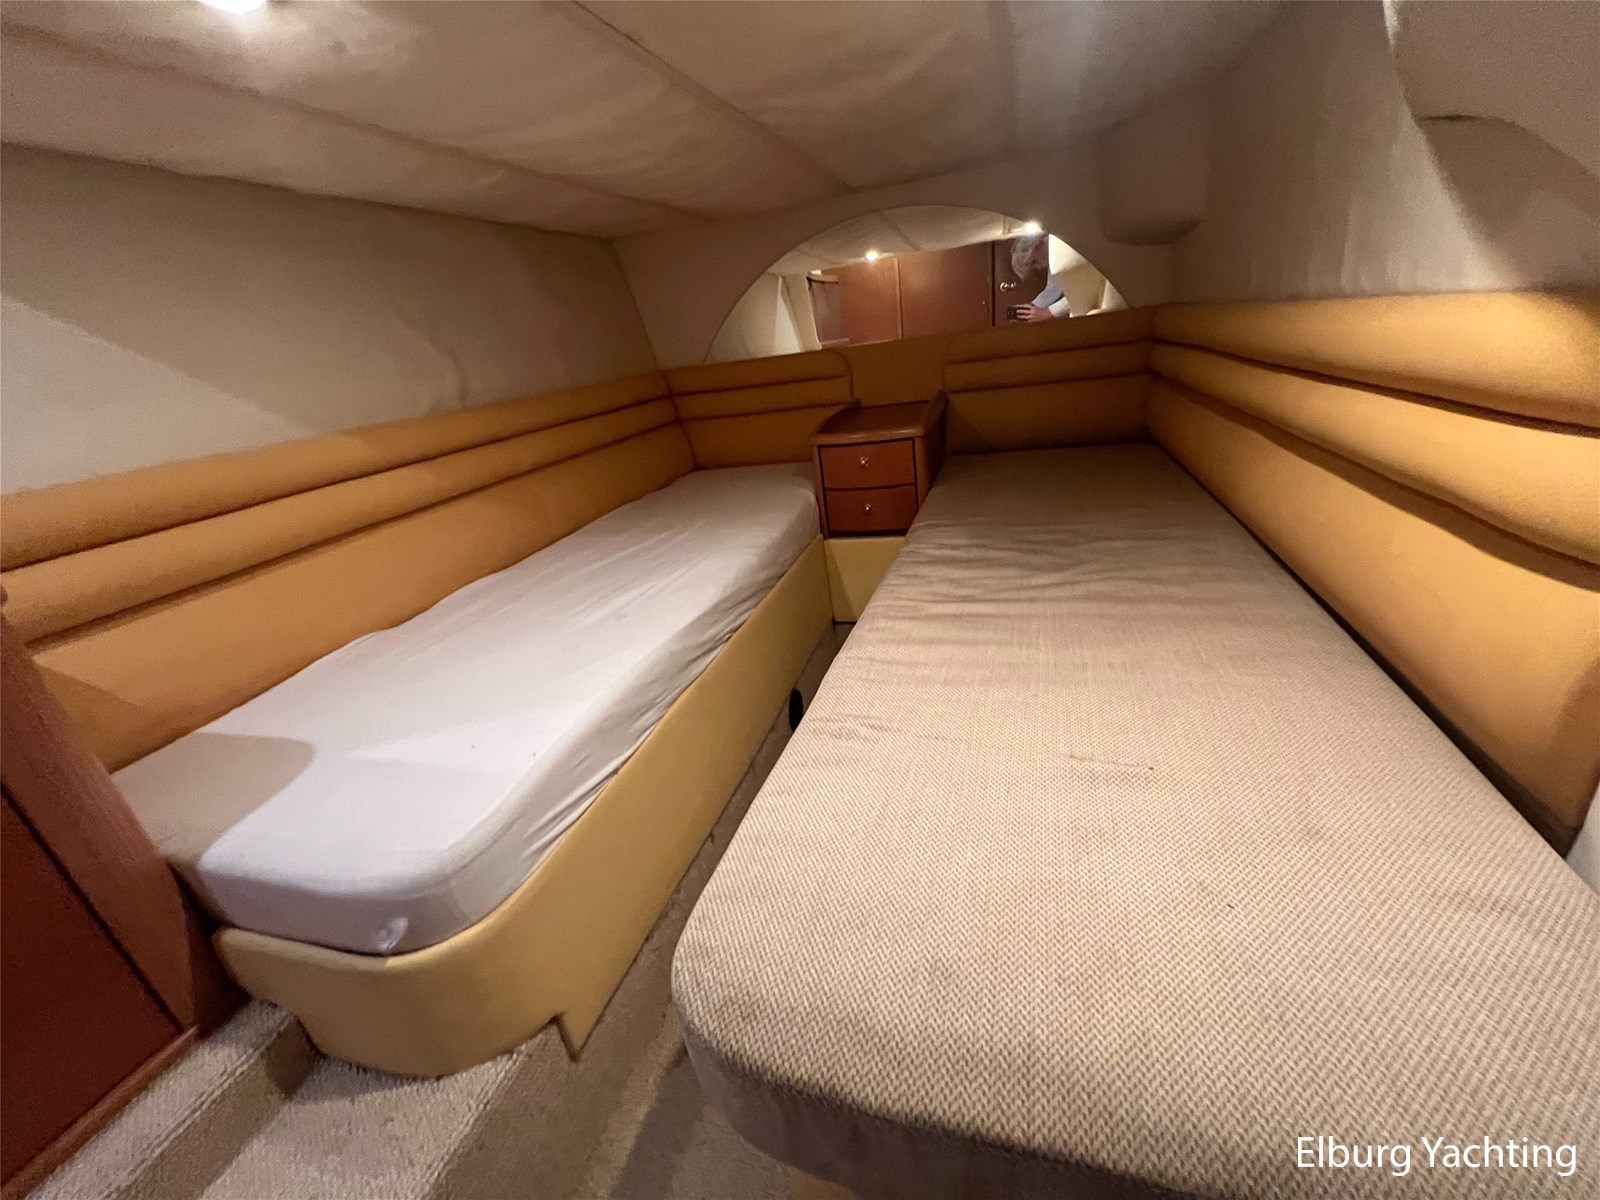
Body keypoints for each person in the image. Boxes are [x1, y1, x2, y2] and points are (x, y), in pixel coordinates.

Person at [1009, 234, 1070, 323]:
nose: (1039, 268)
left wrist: (1049, 312)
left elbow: (1082, 292)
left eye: (1034, 261)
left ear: (1038, 245)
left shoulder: (1065, 251)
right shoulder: (1054, 258)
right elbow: (1051, 290)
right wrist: (1031, 307)